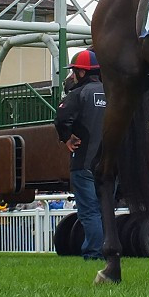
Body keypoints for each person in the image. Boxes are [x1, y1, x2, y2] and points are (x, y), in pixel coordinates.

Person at [54, 49, 106, 260]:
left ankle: (94, 253)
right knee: (104, 211)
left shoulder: (78, 94)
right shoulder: (112, 92)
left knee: (89, 211)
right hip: (110, 163)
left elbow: (61, 118)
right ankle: (107, 250)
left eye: (75, 71)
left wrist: (67, 137)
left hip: (84, 162)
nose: (73, 75)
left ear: (82, 73)